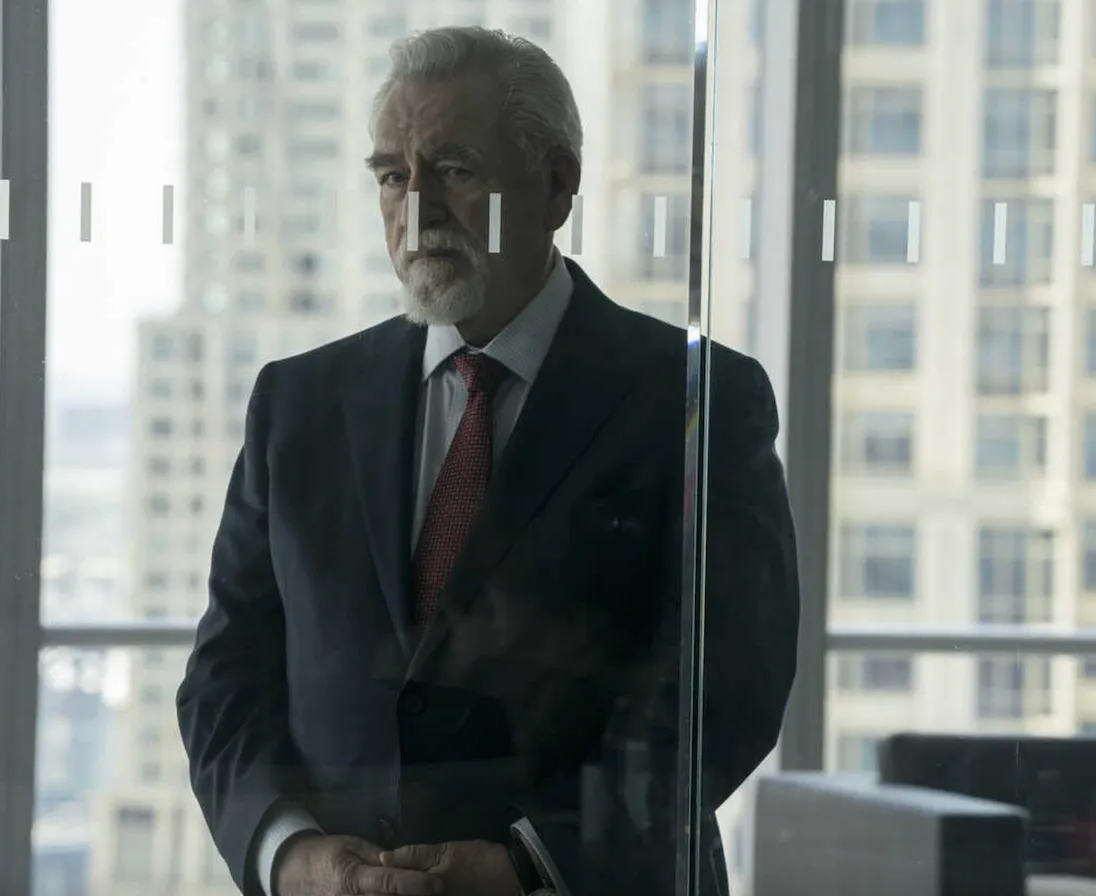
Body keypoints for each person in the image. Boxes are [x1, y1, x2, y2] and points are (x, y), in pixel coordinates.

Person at [177, 25, 799, 896]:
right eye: (394, 175)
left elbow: (729, 688)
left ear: (556, 185)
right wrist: (290, 856)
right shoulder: (299, 404)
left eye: (457, 171)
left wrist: (532, 864)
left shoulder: (698, 399)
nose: (418, 209)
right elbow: (224, 676)